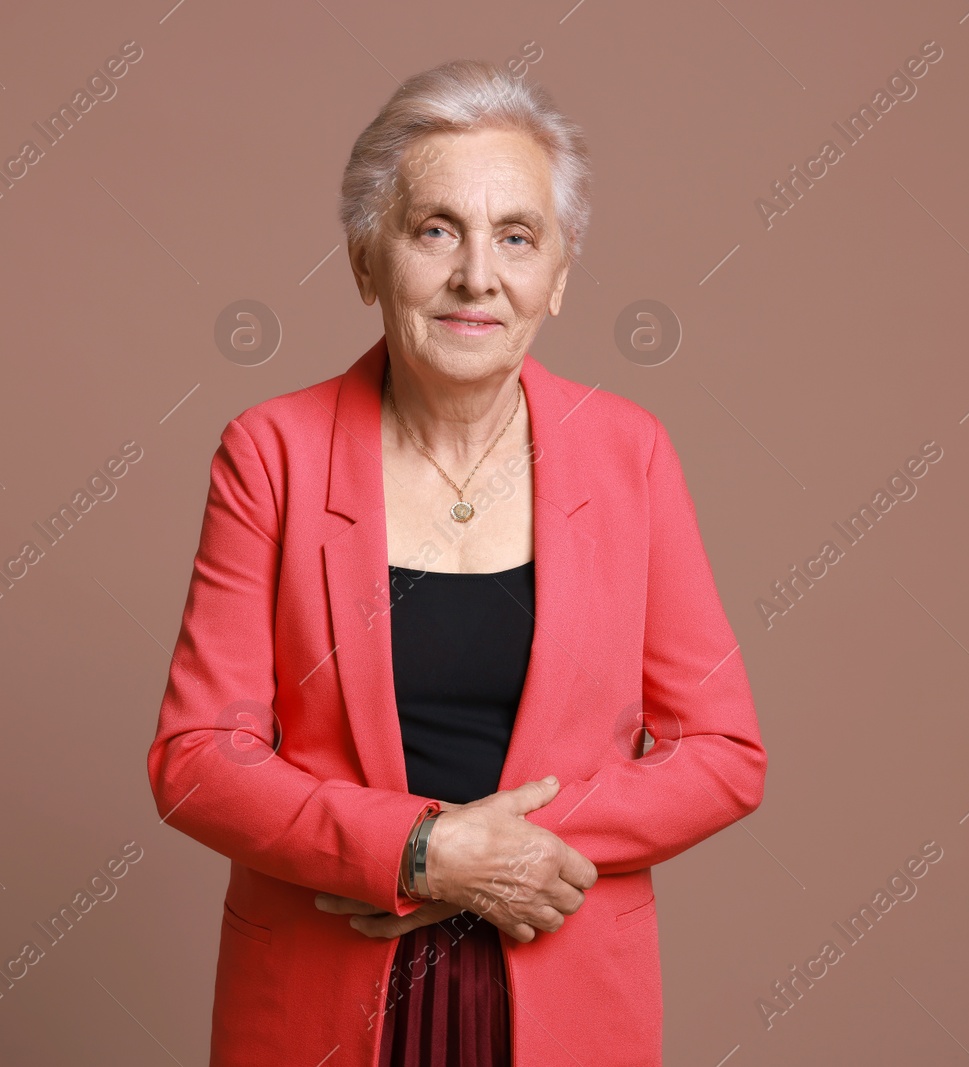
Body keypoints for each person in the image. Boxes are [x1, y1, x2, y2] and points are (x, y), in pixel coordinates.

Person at [146, 58, 767, 1067]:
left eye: (516, 237)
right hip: (326, 988)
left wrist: (503, 855)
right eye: (435, 229)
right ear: (365, 260)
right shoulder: (272, 453)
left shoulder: (631, 454)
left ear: (557, 274)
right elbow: (197, 760)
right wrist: (421, 850)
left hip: (564, 983)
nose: (477, 273)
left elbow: (724, 754)